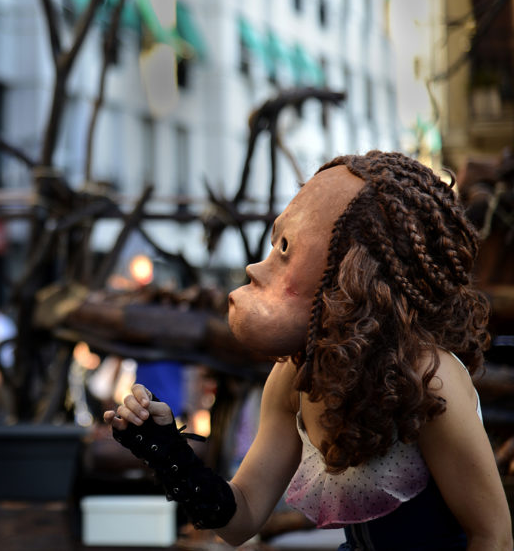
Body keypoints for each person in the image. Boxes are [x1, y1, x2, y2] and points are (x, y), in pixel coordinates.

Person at [105, 151, 513, 549]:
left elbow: (493, 536)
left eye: (285, 249)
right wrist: (165, 449)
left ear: (354, 271)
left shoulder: (429, 379)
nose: (253, 268)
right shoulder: (296, 376)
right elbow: (241, 518)